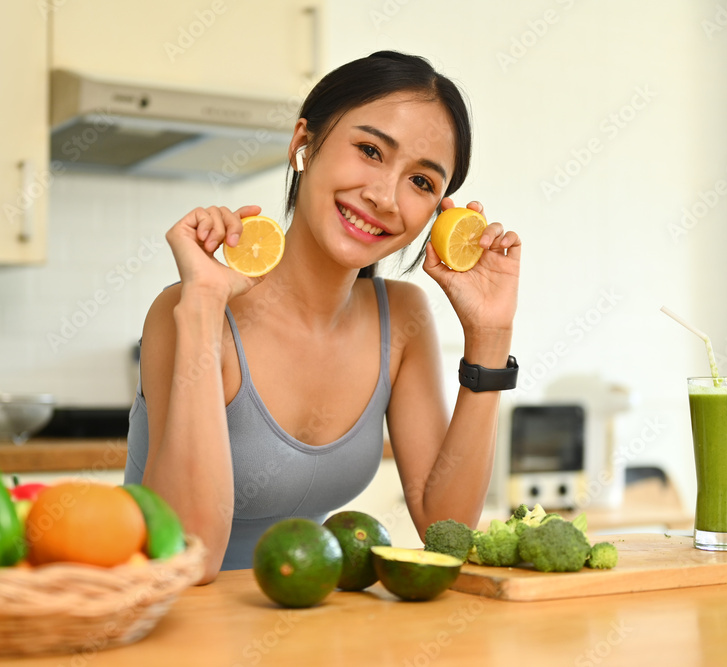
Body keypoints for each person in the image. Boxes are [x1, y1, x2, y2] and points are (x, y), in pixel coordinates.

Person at [124, 51, 521, 583]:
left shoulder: (400, 319)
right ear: (303, 144)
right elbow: (188, 562)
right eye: (370, 150)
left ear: (438, 212)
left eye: (422, 183)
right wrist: (201, 309)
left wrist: (490, 337)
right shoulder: (189, 308)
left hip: (306, 621)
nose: (384, 197)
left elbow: (445, 528)